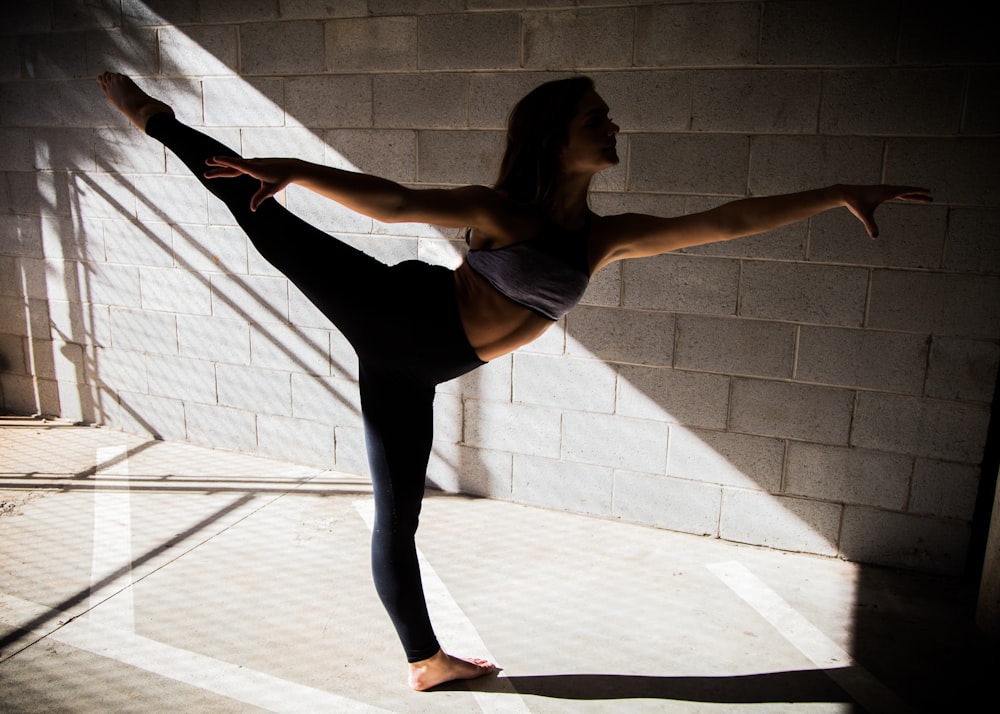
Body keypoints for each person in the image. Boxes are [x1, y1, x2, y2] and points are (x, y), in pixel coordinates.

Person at [96, 71, 931, 691]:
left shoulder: (603, 237)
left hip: (417, 366)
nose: (613, 126)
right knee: (261, 209)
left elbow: (725, 220)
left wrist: (836, 193)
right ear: (555, 137)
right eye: (596, 118)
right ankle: (158, 119)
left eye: (608, 116)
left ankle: (426, 662)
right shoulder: (505, 211)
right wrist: (301, 171)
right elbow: (394, 201)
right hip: (399, 314)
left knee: (398, 514)